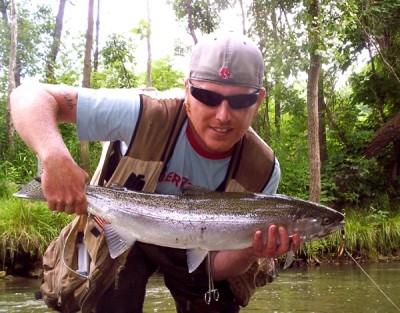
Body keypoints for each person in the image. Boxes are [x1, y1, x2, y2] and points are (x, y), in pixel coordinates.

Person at [11, 32, 300, 312]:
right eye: (207, 97)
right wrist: (54, 157)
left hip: (196, 248)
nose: (223, 115)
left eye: (239, 101)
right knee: (93, 294)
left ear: (258, 101)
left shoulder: (262, 168)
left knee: (217, 301)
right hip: (114, 223)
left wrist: (251, 249)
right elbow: (29, 95)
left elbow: (215, 268)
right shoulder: (144, 113)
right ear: (187, 91)